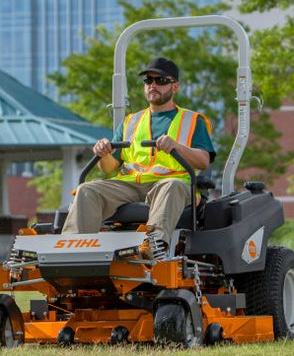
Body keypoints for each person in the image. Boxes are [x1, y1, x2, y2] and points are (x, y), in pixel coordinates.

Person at [61, 57, 215, 258]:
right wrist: (103, 153)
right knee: (86, 189)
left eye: (161, 81)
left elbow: (203, 160)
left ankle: (153, 246)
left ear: (174, 86)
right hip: (131, 184)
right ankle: (72, 249)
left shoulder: (192, 120)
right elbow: (109, 168)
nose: (153, 85)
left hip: (173, 185)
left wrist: (177, 146)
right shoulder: (130, 121)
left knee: (171, 186)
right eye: (148, 81)